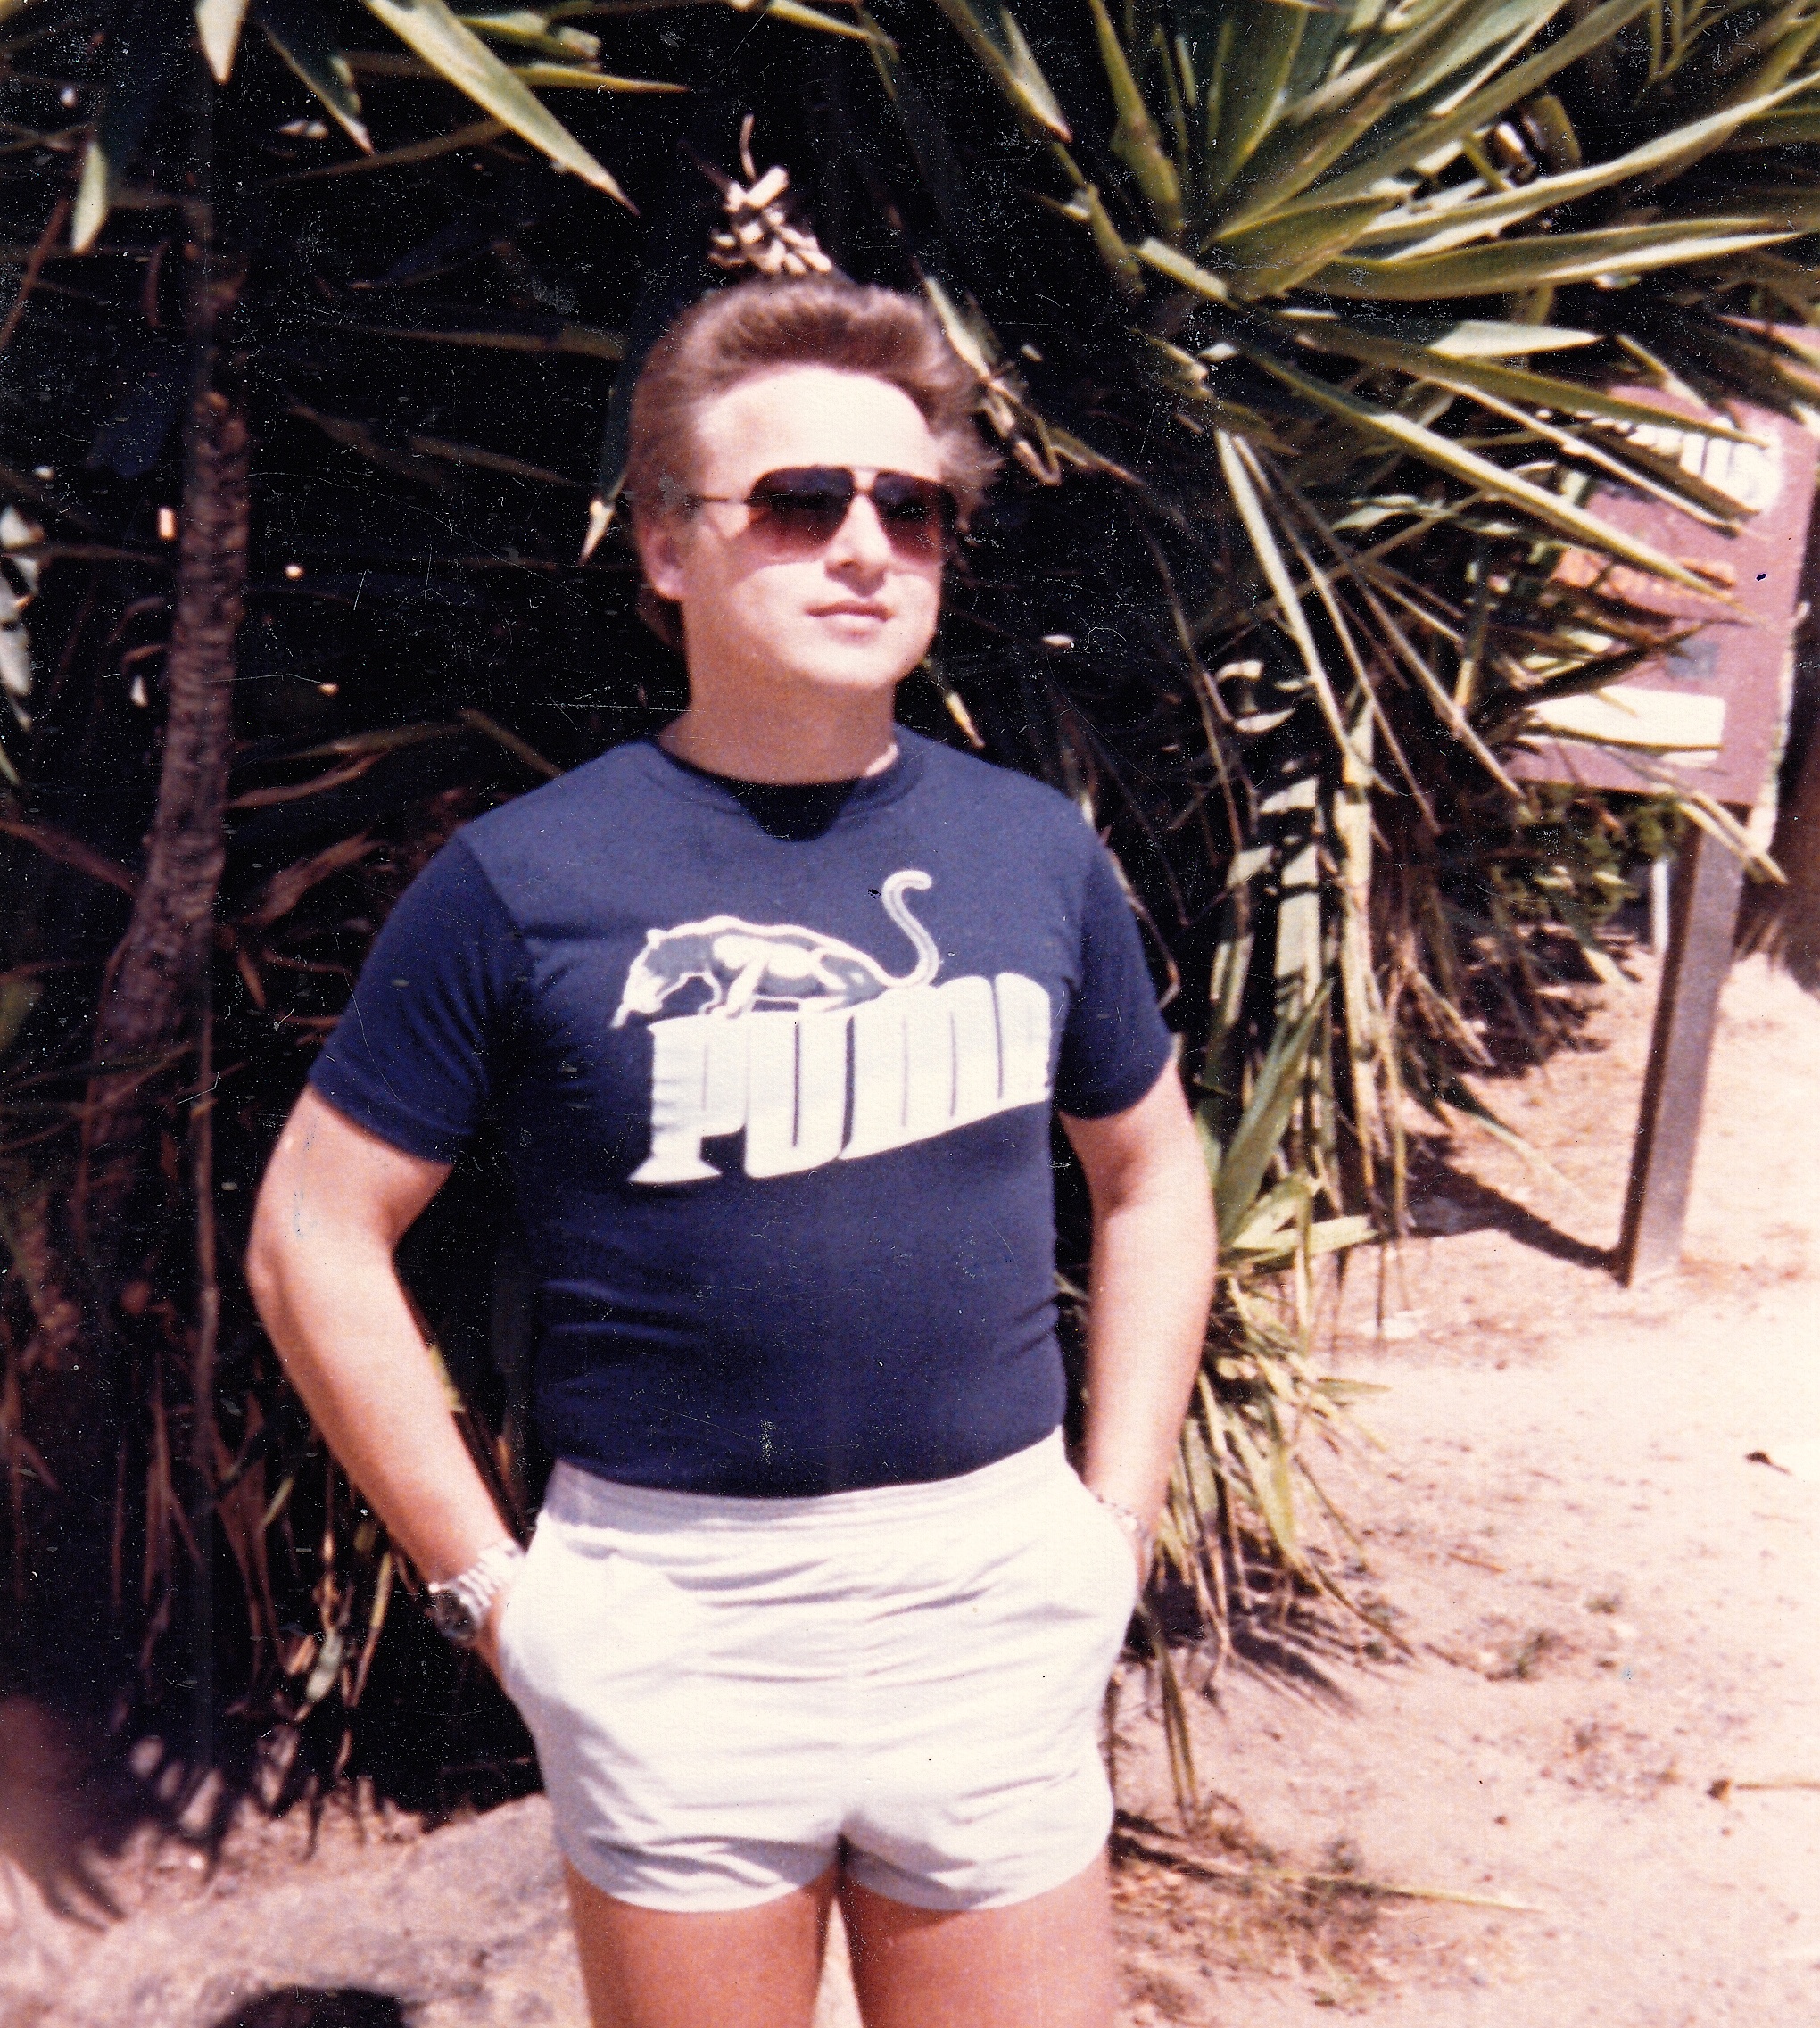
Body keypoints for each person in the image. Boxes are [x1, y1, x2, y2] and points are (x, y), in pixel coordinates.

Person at [247, 274, 1215, 2028]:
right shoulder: (526, 881)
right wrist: (497, 1599)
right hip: (672, 1617)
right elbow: (312, 1229)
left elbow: (1151, 1176)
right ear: (666, 546)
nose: (863, 545)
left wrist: (1114, 1528)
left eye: (908, 506)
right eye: (797, 499)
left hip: (991, 1594)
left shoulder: (1030, 853)